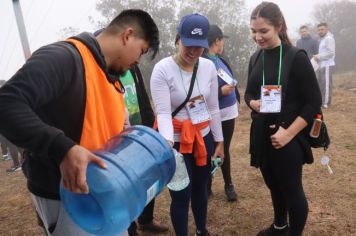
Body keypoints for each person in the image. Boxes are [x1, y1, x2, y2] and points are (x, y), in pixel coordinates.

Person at [0, 9, 159, 236]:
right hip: (68, 198)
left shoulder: (110, 76)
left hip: (102, 192)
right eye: (141, 51)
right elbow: (6, 103)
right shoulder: (64, 57)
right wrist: (63, 148)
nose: (137, 61)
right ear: (128, 35)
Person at [245, 2, 322, 236]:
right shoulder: (256, 58)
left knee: (292, 190)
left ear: (278, 26)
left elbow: (313, 102)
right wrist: (253, 103)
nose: (258, 37)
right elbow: (248, 92)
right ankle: (280, 226)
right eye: (253, 31)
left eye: (263, 31)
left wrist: (288, 133)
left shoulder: (296, 57)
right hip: (262, 134)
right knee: (273, 185)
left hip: (288, 137)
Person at [150, 13, 224, 236]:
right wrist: (167, 144)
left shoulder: (208, 67)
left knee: (201, 189)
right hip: (177, 143)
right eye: (188, 45)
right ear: (177, 39)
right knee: (181, 195)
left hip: (203, 138)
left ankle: (202, 230)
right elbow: (162, 113)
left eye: (199, 47)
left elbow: (213, 108)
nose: (193, 52)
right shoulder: (162, 70)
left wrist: (219, 140)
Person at [121, 65, 169, 235]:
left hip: (140, 129)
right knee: (124, 183)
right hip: (119, 137)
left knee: (148, 176)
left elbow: (142, 97)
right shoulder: (105, 65)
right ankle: (128, 227)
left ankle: (146, 219)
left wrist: (152, 127)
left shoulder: (132, 66)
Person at [204, 24, 239, 201]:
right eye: (221, 39)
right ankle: (208, 184)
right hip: (213, 113)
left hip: (229, 112)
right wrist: (220, 92)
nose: (223, 43)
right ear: (216, 41)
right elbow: (200, 93)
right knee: (212, 148)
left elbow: (230, 78)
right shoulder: (202, 62)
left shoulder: (221, 59)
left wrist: (234, 90)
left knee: (224, 148)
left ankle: (228, 185)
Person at [313, 22, 335, 109]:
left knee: (326, 84)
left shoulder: (329, 39)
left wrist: (318, 56)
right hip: (323, 65)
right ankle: (323, 102)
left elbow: (330, 53)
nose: (320, 31)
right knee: (322, 84)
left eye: (322, 29)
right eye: (318, 30)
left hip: (327, 65)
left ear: (327, 29)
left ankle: (326, 103)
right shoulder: (323, 39)